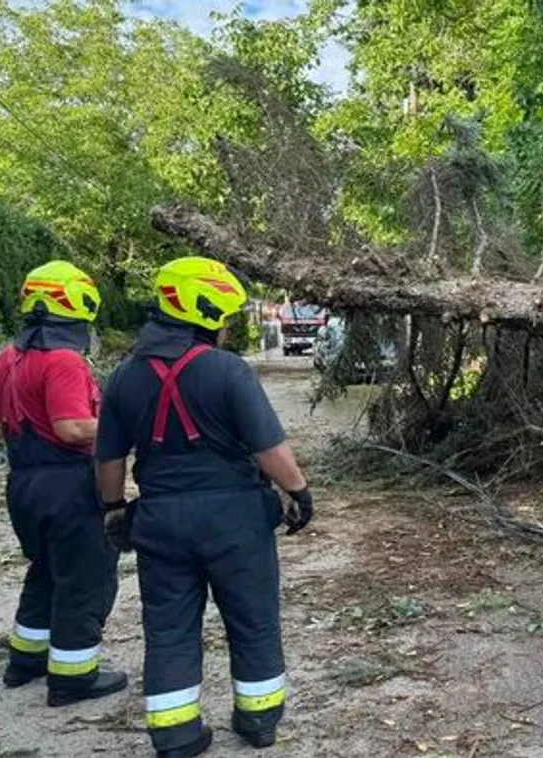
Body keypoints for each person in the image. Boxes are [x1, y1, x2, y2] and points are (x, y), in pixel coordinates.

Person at [95, 256, 313, 758]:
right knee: (253, 617)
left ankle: (175, 734)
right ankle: (259, 721)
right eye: (224, 315)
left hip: (161, 520)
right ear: (206, 312)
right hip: (236, 521)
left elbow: (108, 459)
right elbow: (268, 449)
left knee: (169, 626)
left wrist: (114, 509)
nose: (228, 325)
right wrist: (299, 492)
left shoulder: (124, 376)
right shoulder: (228, 370)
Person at [0, 260, 126, 704]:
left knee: (45, 570)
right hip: (68, 485)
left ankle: (25, 661)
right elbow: (72, 428)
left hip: (23, 483)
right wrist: (124, 427)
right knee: (85, 578)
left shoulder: (6, 358)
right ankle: (73, 677)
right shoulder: (64, 360)